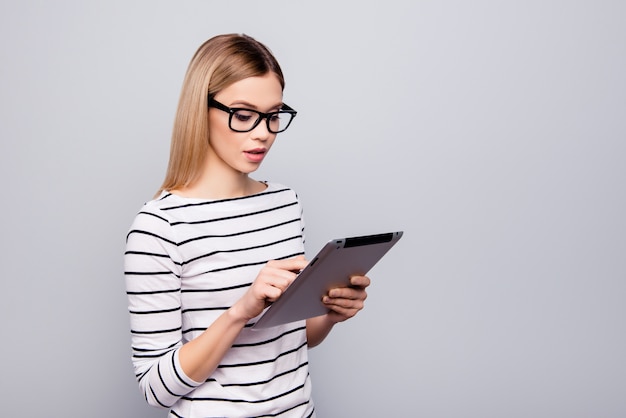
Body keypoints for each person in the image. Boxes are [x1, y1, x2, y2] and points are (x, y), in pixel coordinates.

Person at [124, 33, 370, 417]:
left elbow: (289, 339)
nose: (263, 133)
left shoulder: (284, 202)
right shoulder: (160, 227)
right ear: (200, 109)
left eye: (273, 115)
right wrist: (241, 311)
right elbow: (155, 389)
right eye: (243, 115)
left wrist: (330, 314)